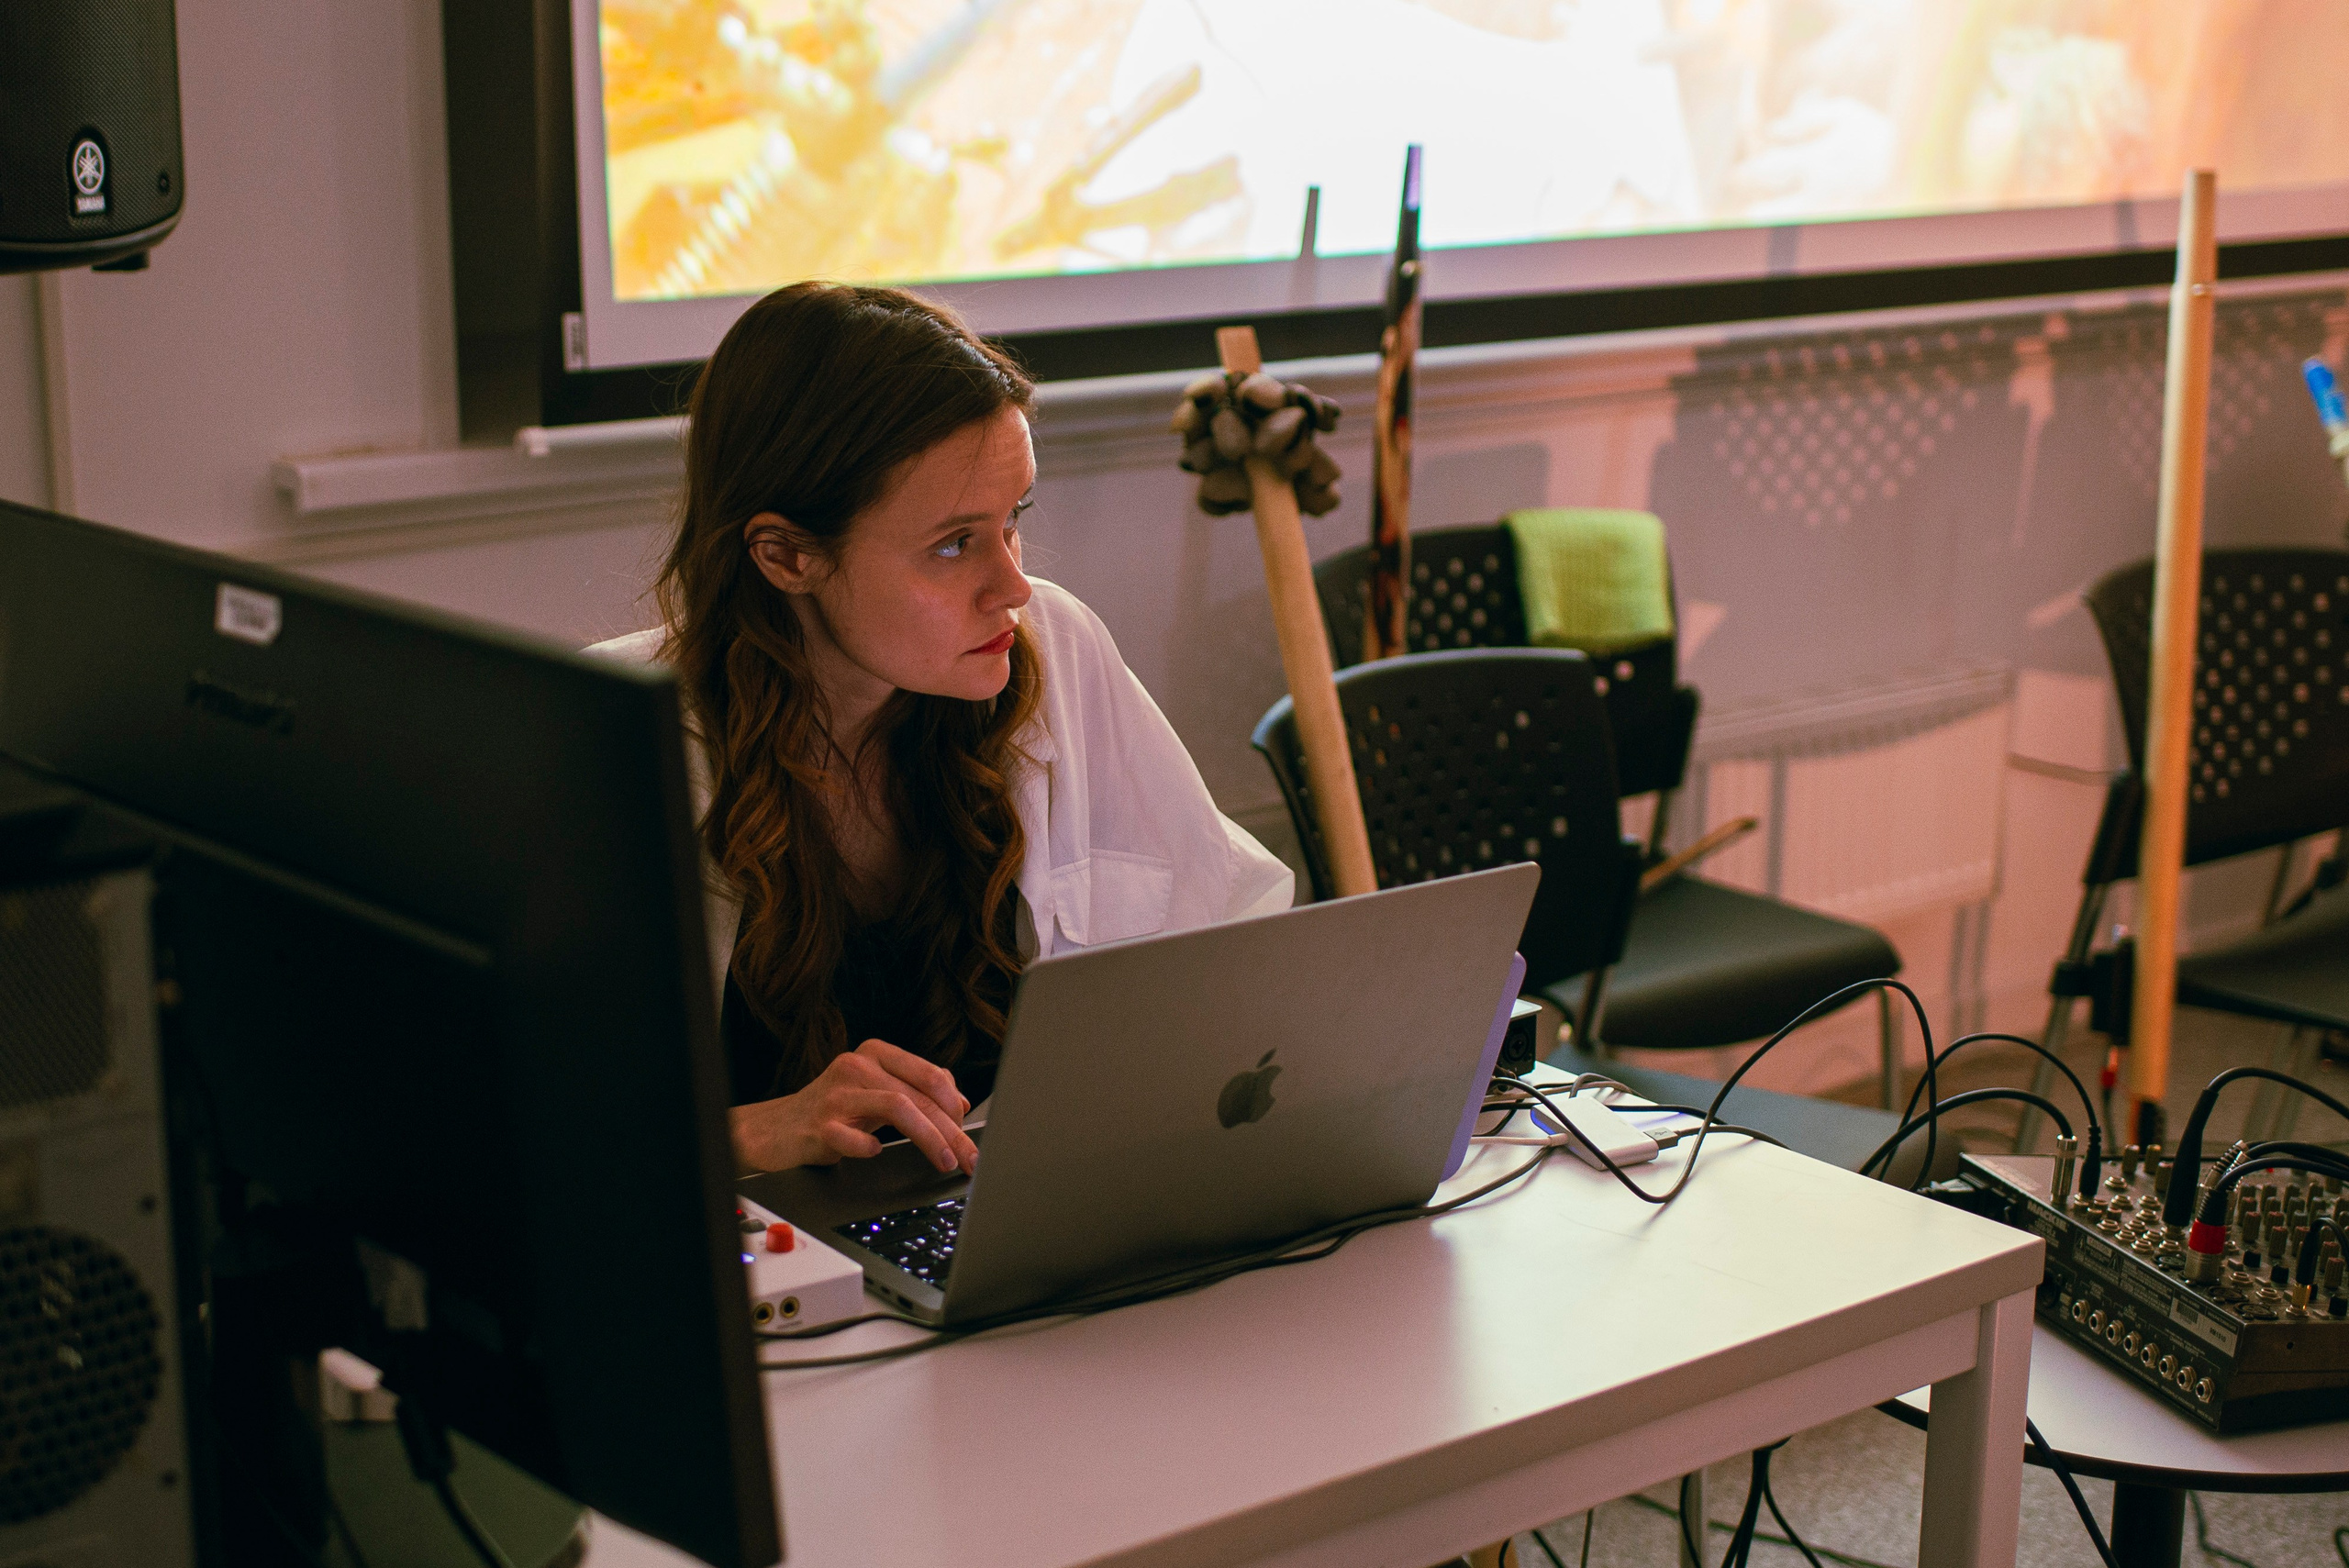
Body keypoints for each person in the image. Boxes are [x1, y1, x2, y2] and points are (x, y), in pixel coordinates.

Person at [593, 282, 1293, 1180]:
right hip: (777, 1293)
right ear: (787, 556)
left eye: (1014, 521)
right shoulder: (619, 745)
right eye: (954, 543)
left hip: (1003, 1233)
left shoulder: (1051, 651)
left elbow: (1231, 939)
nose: (1012, 584)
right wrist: (754, 1132)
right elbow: (499, 1140)